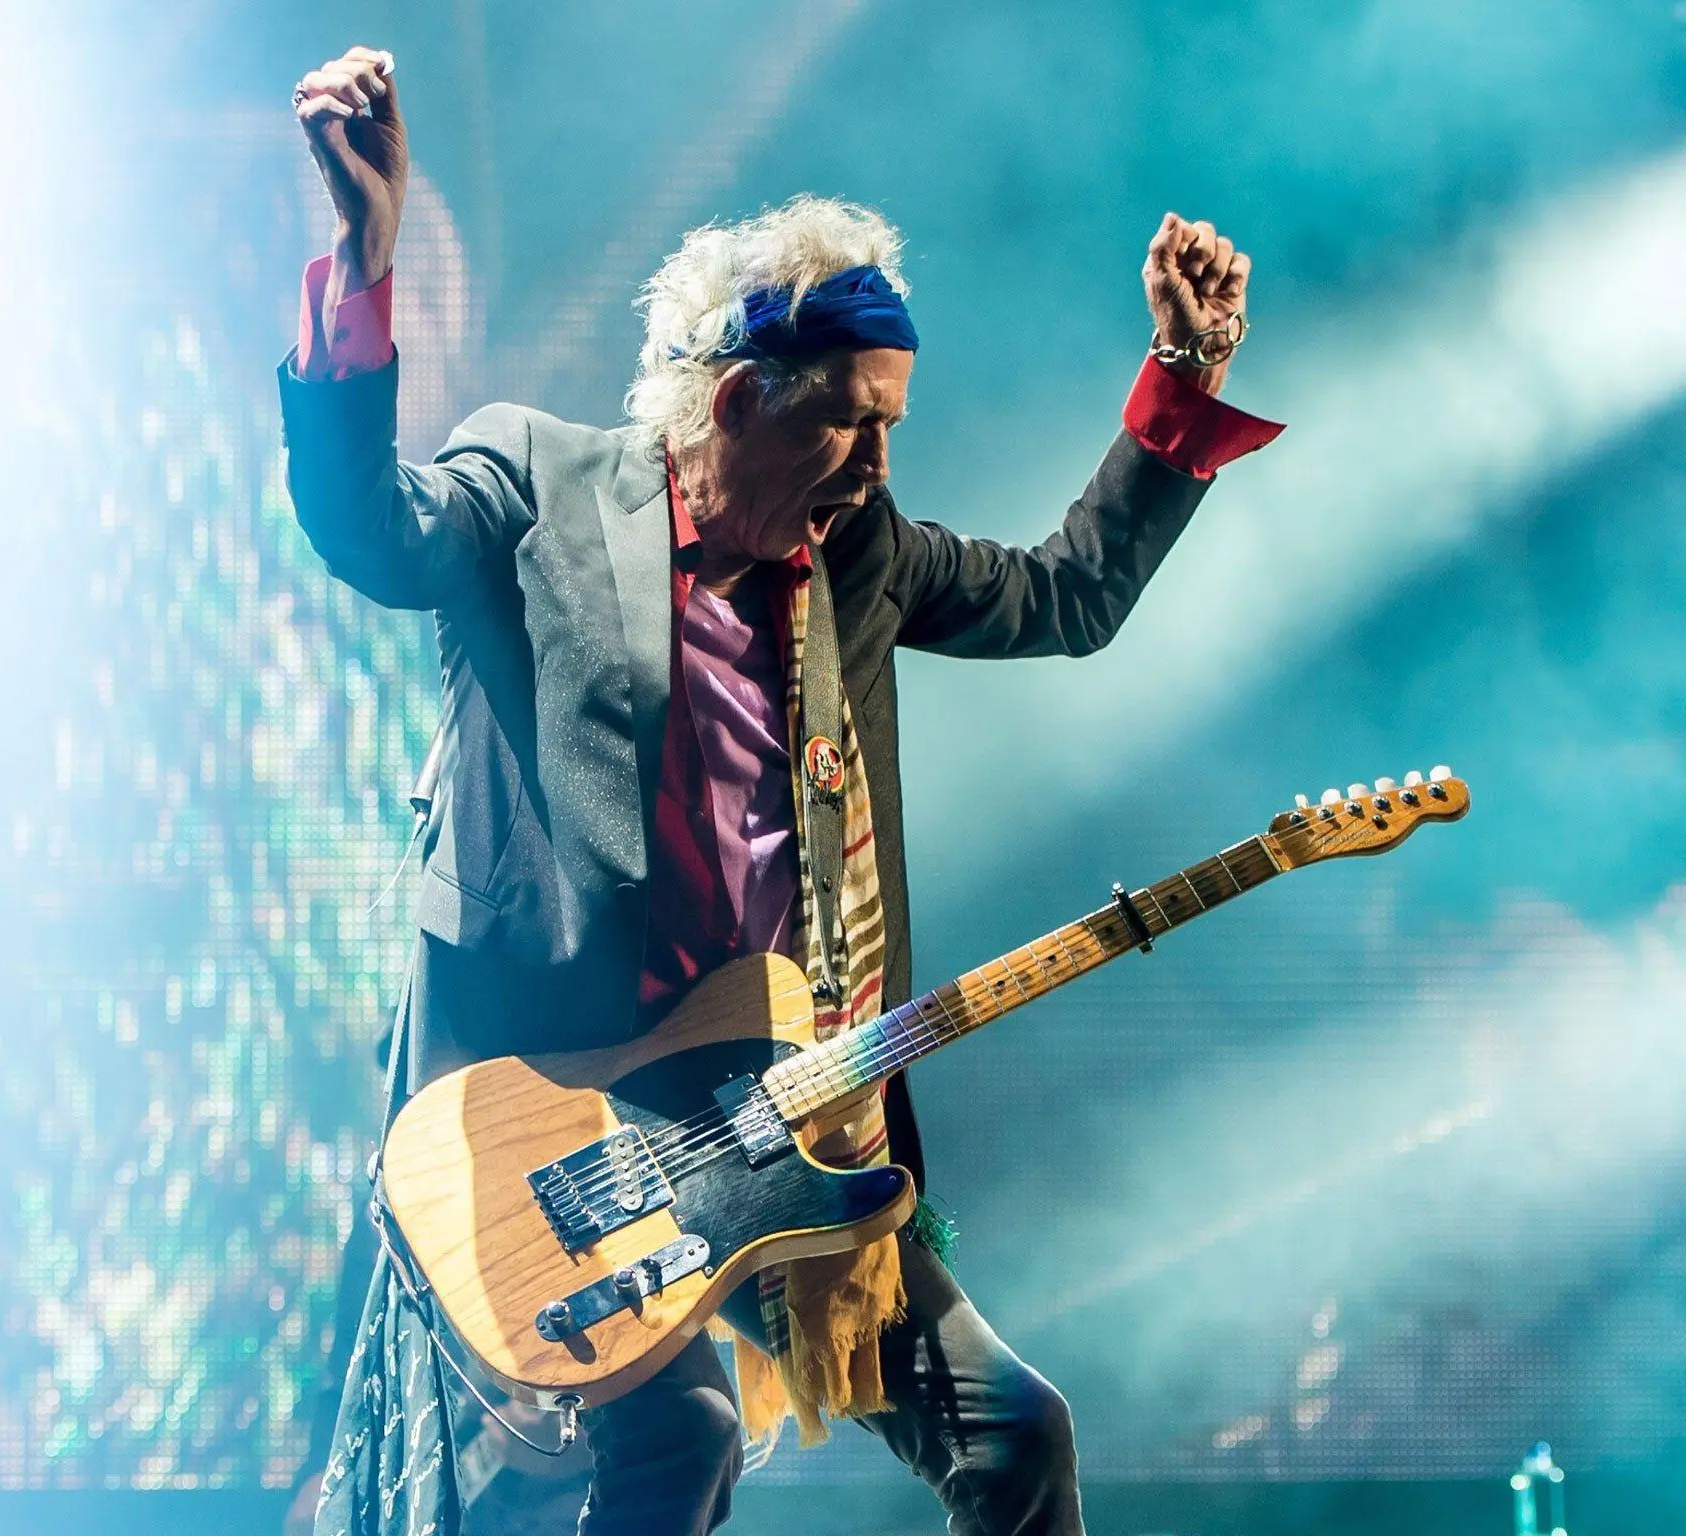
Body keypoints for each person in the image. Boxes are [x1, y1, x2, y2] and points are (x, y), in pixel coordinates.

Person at [281, 43, 1283, 1536]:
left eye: (892, 423)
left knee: (1015, 1439)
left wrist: (1185, 375)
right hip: (561, 1109)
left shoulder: (857, 556)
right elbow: (367, 527)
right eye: (849, 420)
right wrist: (364, 264)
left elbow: (1068, 598)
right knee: (679, 1443)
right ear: (740, 399)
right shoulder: (540, 485)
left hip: (772, 1113)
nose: (877, 462)